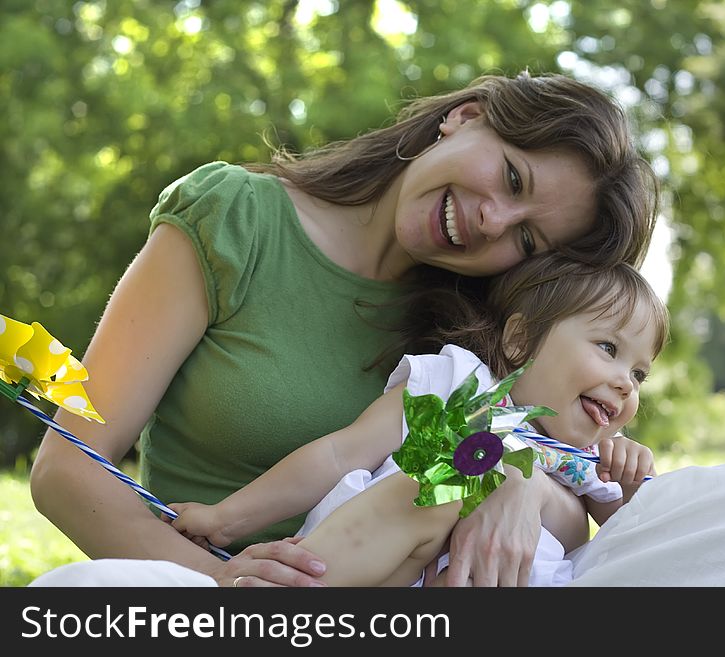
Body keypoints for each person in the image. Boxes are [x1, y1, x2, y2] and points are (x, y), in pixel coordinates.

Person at [29, 70, 661, 587]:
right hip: (206, 585)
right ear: (466, 117)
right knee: (81, 593)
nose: (493, 220)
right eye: (511, 177)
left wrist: (510, 474)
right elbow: (67, 471)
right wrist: (225, 589)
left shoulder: (490, 337)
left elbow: (572, 502)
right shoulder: (238, 218)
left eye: (528, 238)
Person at [166, 256, 665, 587]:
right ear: (520, 340)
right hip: (374, 572)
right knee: (442, 478)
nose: (625, 382)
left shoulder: (590, 464)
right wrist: (226, 518)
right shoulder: (455, 385)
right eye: (608, 348)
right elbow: (341, 453)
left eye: (639, 373)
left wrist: (635, 484)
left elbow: (634, 547)